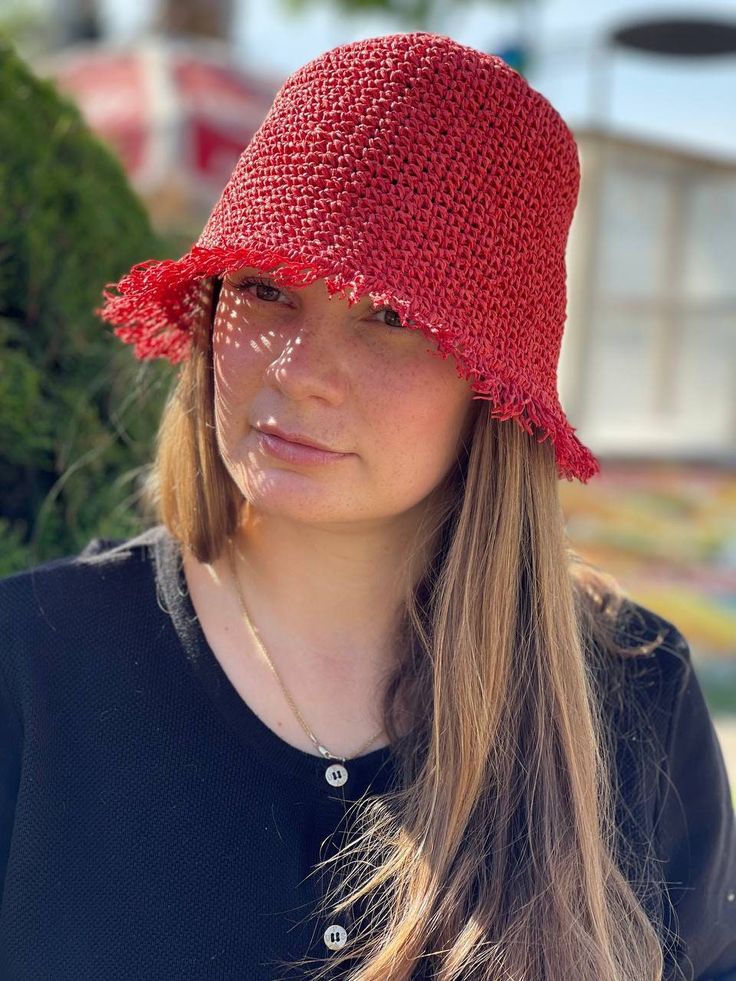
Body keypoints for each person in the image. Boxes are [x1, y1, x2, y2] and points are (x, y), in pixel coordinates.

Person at [0, 31, 734, 981]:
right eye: (265, 290)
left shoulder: (630, 700)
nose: (299, 376)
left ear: (490, 385)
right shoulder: (32, 665)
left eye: (388, 318)